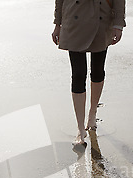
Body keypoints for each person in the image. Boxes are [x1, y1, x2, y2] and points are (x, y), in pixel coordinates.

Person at [52, 0, 126, 145]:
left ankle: (92, 113)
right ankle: (80, 128)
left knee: (97, 71)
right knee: (78, 74)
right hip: (73, 19)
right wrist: (57, 24)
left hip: (101, 19)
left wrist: (118, 24)